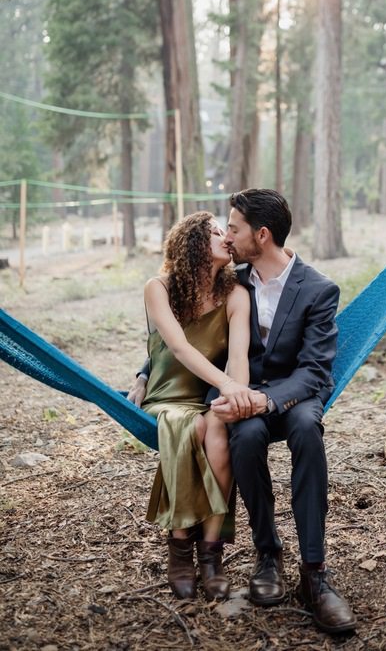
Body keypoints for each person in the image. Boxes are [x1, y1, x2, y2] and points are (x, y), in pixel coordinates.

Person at [130, 190, 356, 635]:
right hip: (241, 396)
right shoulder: (233, 280)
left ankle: (315, 572)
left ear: (263, 235)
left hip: (293, 397)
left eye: (233, 228)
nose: (228, 236)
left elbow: (314, 371)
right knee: (246, 437)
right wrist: (143, 372)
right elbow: (185, 332)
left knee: (308, 430)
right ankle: (266, 555)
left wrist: (265, 399)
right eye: (224, 229)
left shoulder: (317, 289)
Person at [130, 211, 261, 602]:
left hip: (209, 396)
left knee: (219, 430)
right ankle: (179, 550)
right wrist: (227, 385)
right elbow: (179, 348)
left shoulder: (236, 294)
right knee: (191, 427)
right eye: (215, 232)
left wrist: (233, 395)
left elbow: (238, 356)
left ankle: (210, 555)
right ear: (192, 245)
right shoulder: (159, 287)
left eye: (227, 231)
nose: (226, 237)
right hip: (167, 398)